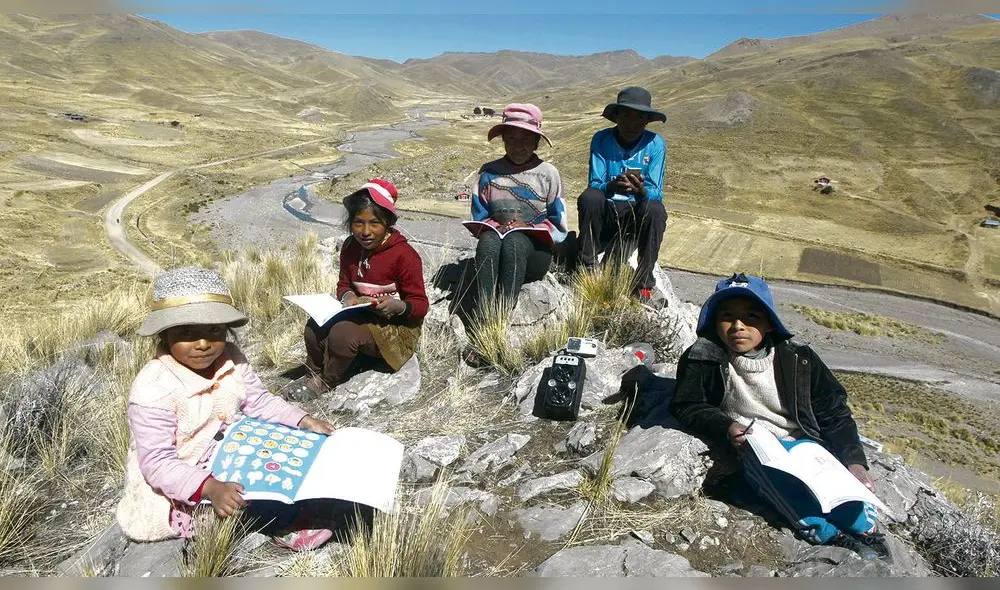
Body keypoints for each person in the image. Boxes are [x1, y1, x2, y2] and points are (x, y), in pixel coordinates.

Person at [668, 273, 892, 562]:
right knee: (778, 484)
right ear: (713, 321)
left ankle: (865, 529)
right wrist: (725, 427)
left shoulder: (799, 358)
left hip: (807, 445)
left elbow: (833, 410)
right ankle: (827, 534)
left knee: (840, 487)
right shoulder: (702, 358)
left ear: (769, 322)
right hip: (758, 445)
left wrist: (854, 461)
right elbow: (687, 405)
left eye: (751, 317)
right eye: (727, 317)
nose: (738, 326)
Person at [116, 266, 338, 551]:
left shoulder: (231, 358)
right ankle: (283, 521)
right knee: (234, 508)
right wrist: (209, 487)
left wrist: (303, 419)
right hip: (183, 478)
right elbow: (158, 464)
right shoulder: (152, 389)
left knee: (299, 454)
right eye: (187, 332)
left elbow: (258, 401)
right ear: (164, 334)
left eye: (215, 330)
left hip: (230, 450)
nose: (204, 343)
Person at [298, 178, 428, 396]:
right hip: (361, 318)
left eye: (374, 223)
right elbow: (344, 284)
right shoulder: (350, 248)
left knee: (342, 333)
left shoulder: (404, 255)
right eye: (358, 223)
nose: (365, 231)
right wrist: (347, 296)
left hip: (395, 329)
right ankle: (314, 372)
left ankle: (328, 382)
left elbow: (421, 304)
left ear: (387, 223)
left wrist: (398, 307)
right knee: (314, 327)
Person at [464, 103, 567, 365]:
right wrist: (495, 226)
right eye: (511, 138)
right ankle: (484, 324)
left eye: (525, 139)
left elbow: (558, 226)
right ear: (503, 139)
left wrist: (528, 228)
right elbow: (480, 217)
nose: (517, 145)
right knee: (489, 242)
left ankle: (502, 322)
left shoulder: (548, 175)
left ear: (536, 141)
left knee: (514, 242)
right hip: (495, 245)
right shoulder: (489, 173)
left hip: (534, 255)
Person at [576, 86, 667, 304]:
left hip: (634, 217)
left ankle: (644, 282)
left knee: (655, 209)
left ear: (647, 120)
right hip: (607, 212)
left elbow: (656, 192)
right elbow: (595, 183)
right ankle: (588, 266)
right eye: (625, 114)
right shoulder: (601, 139)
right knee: (590, 197)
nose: (631, 122)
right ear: (616, 116)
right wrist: (612, 186)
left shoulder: (655, 144)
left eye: (639, 117)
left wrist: (641, 190)